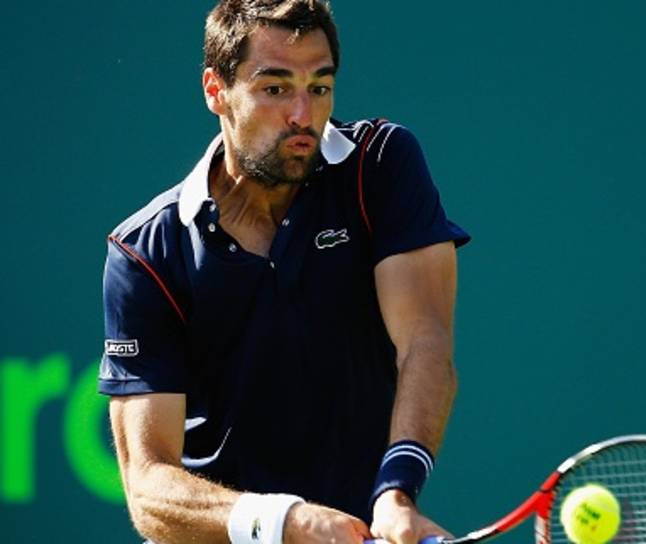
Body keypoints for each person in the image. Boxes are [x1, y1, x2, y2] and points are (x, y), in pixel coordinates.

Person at [98, 1, 470, 543]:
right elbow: (149, 488)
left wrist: (395, 492)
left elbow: (424, 342)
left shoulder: (379, 165)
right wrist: (284, 521)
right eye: (275, 88)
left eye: (319, 87)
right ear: (216, 90)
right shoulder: (145, 252)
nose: (303, 114)